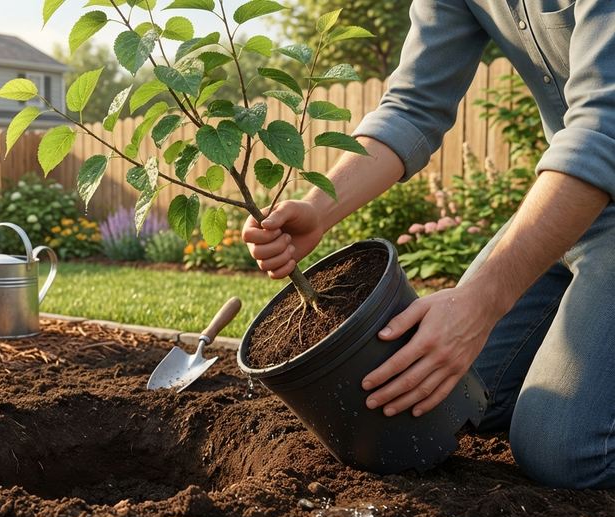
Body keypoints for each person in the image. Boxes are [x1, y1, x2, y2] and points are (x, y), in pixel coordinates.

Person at [242, 0, 614, 489]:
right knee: (448, 388)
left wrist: (479, 305)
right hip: (579, 207)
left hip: (594, 183)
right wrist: (317, 210)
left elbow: (602, 128)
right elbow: (413, 106)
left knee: (562, 452)